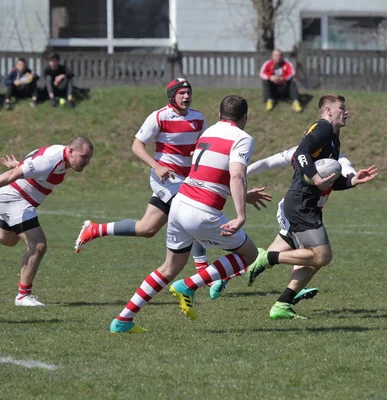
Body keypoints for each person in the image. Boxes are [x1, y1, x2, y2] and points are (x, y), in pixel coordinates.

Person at [74, 79, 270, 277]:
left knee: (147, 228)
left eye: (189, 93)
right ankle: (202, 270)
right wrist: (156, 166)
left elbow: (209, 152)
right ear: (172, 96)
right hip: (166, 180)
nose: (186, 97)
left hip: (189, 180)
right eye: (181, 93)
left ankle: (96, 229)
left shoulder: (199, 118)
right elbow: (137, 145)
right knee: (193, 212)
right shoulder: (159, 116)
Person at [110, 95, 260, 333]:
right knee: (249, 254)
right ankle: (188, 285)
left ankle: (122, 320)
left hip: (180, 203)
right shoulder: (243, 138)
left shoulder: (208, 133)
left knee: (169, 267)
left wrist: (241, 195)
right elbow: (237, 175)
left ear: (220, 115)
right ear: (244, 118)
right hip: (202, 210)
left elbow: (211, 176)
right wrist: (241, 214)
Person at [246, 94, 379, 320]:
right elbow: (301, 154)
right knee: (322, 256)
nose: (345, 113)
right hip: (301, 203)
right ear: (328, 110)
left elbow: (332, 182)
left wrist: (352, 180)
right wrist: (316, 178)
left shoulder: (333, 138)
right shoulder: (323, 127)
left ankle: (282, 305)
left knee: (315, 258)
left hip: (307, 204)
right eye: (341, 108)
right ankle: (267, 258)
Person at [204, 145, 357, 301]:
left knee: (269, 257)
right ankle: (294, 289)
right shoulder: (301, 152)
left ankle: (223, 277)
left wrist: (355, 177)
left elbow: (347, 168)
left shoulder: (335, 155)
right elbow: (267, 163)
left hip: (306, 212)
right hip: (295, 212)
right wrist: (239, 177)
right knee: (311, 252)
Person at [0, 137, 94, 307]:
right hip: (15, 198)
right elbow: (12, 175)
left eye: (89, 158)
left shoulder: (58, 157)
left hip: (16, 199)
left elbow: (29, 168)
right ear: (71, 151)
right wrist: (17, 169)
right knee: (38, 245)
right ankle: (23, 296)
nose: (86, 162)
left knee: (9, 240)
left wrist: (19, 166)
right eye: (84, 157)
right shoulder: (50, 160)